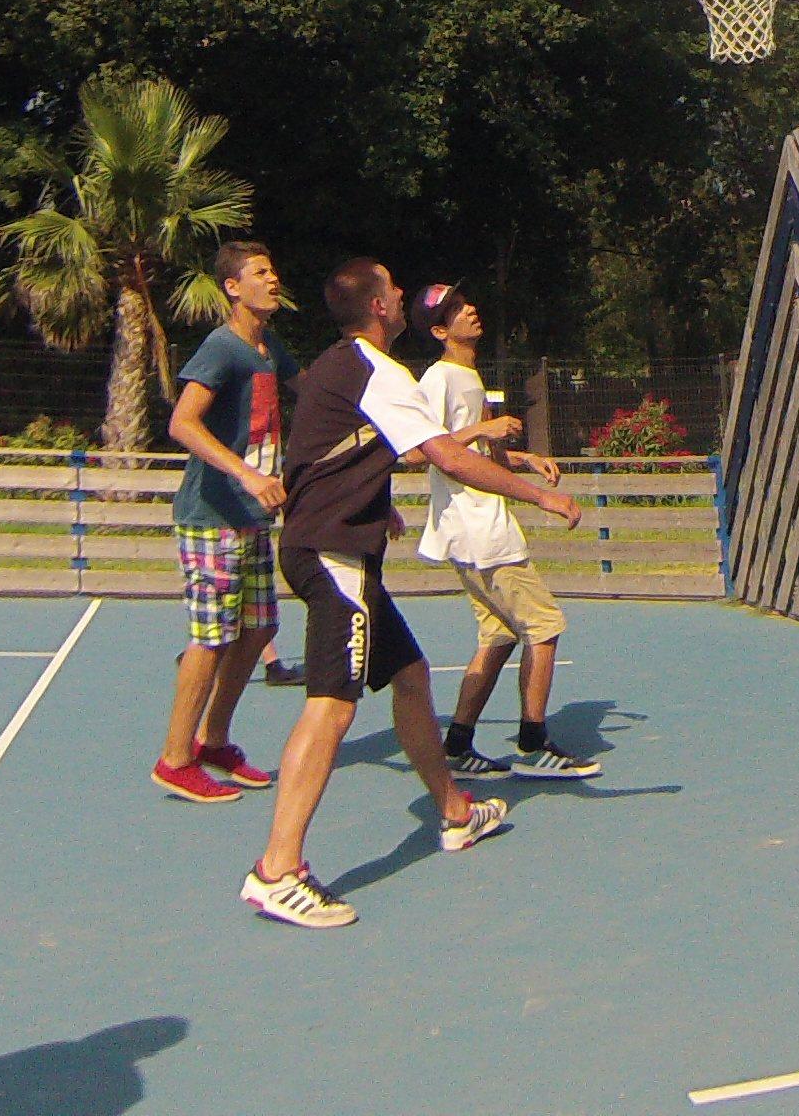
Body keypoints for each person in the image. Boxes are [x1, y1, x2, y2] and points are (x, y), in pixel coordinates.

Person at [241, 256, 577, 930]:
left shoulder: (339, 368)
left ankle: (454, 812)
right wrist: (539, 493)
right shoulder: (377, 370)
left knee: (412, 677)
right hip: (332, 557)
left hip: (336, 549)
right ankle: (277, 870)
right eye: (393, 288)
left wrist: (374, 501)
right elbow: (448, 457)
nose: (400, 295)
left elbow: (335, 451)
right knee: (332, 708)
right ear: (378, 307)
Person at [410, 284, 595, 784]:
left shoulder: (467, 376)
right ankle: (534, 743)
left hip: (482, 526)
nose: (469, 310)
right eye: (454, 311)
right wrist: (481, 432)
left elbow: (472, 454)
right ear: (439, 331)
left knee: (497, 636)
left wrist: (523, 459)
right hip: (476, 530)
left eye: (467, 304)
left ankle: (459, 744)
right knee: (544, 625)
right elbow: (413, 450)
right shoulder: (439, 378)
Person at [153, 238, 290, 802]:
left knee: (260, 629)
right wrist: (248, 475)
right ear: (234, 287)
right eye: (260, 271)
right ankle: (175, 758)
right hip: (212, 517)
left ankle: (214, 740)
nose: (273, 278)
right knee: (211, 638)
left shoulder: (270, 350)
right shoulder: (221, 348)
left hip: (252, 519)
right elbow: (182, 424)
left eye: (273, 268)